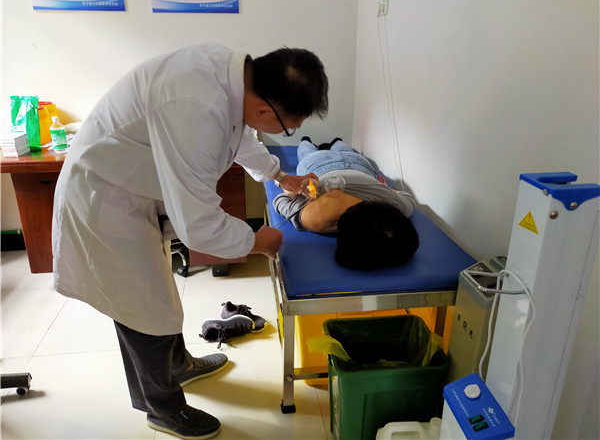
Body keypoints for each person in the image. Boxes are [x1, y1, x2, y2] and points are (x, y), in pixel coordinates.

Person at [51, 43, 328, 440]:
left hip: (133, 189)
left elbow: (239, 136)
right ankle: (161, 408)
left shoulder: (233, 79)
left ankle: (179, 365)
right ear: (267, 110)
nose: (288, 133)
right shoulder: (197, 105)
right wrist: (256, 241)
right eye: (289, 127)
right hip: (104, 197)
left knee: (158, 297)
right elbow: (199, 224)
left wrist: (279, 175)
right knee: (142, 309)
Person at [272, 137, 419, 269]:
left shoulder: (396, 204)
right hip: (317, 167)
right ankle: (313, 142)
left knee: (336, 150)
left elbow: (407, 197)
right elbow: (281, 201)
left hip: (358, 164)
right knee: (307, 153)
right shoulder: (317, 216)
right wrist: (292, 191)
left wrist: (386, 189)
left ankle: (319, 141)